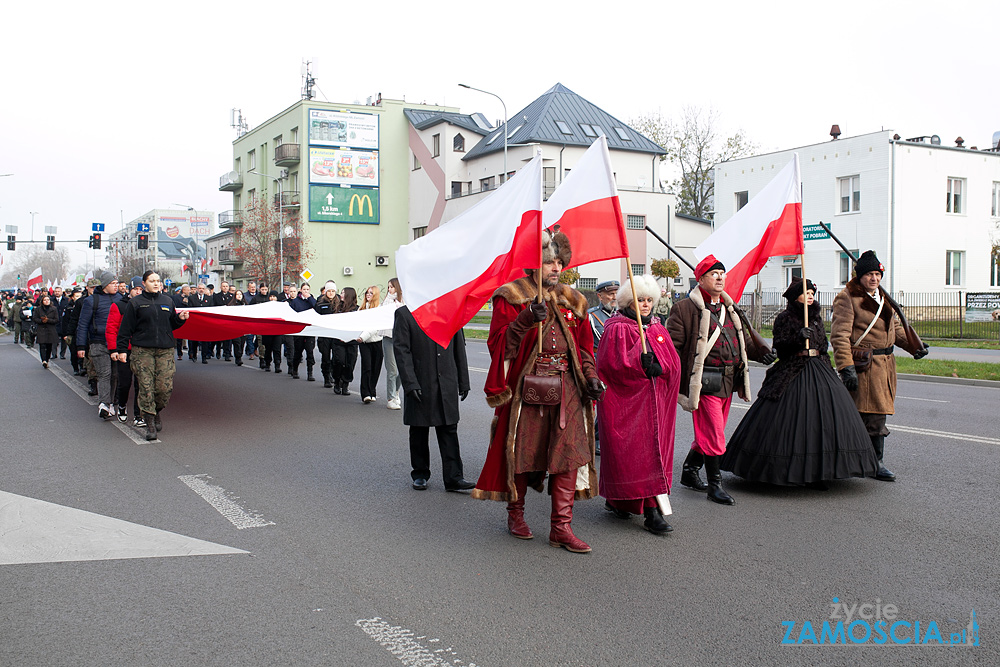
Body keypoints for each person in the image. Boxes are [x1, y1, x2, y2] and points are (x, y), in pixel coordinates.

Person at [473, 230, 603, 554]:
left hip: (568, 390)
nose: (555, 268)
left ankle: (561, 527)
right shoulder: (512, 296)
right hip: (528, 388)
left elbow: (585, 349)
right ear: (533, 266)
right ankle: (515, 515)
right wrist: (527, 319)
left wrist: (590, 377)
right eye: (548, 262)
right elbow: (499, 344)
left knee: (569, 455)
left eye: (559, 262)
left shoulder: (574, 300)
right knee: (522, 454)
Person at [720, 279, 879, 487]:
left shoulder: (816, 319)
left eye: (813, 292)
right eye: (806, 292)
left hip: (819, 367)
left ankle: (822, 470)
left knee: (825, 418)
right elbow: (780, 347)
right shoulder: (784, 318)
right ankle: (788, 470)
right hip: (793, 369)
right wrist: (797, 337)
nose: (811, 295)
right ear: (796, 296)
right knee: (792, 418)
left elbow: (823, 345)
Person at [666, 255, 774, 506]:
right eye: (714, 274)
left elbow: (739, 340)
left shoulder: (729, 306)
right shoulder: (684, 308)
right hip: (703, 381)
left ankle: (689, 471)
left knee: (710, 432)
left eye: (722, 273)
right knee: (714, 434)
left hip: (728, 380)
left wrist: (761, 351)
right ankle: (715, 485)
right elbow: (674, 345)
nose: (720, 278)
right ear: (701, 279)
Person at [831, 250, 929, 482]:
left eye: (877, 274)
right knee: (864, 415)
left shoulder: (882, 297)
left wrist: (914, 346)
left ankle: (869, 460)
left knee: (876, 413)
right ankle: (870, 461)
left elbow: (895, 329)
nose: (874, 278)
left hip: (885, 366)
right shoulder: (847, 297)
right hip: (864, 365)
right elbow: (839, 336)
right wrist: (846, 367)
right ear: (860, 275)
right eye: (869, 274)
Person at [597, 275, 681, 535]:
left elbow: (673, 364)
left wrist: (660, 367)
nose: (645, 305)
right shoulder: (617, 328)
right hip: (629, 406)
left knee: (651, 455)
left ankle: (649, 508)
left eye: (648, 300)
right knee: (631, 456)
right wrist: (638, 363)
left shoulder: (656, 327)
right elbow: (610, 366)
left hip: (655, 405)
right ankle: (633, 504)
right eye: (640, 300)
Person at [393, 304, 476, 492]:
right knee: (419, 429)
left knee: (449, 429)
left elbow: (458, 348)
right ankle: (420, 473)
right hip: (421, 380)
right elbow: (402, 351)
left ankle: (454, 477)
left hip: (446, 380)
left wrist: (464, 381)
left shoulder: (450, 312)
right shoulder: (405, 314)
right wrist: (410, 383)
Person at [114, 270, 189, 440]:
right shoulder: (135, 303)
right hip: (142, 351)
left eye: (158, 281)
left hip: (165, 350)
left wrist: (181, 319)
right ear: (144, 283)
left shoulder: (167, 301)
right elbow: (125, 330)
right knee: (146, 388)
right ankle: (149, 423)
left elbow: (171, 324)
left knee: (164, 388)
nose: (156, 283)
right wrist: (121, 352)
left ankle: (156, 411)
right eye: (152, 281)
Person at [76, 272, 121, 420]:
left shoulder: (120, 299)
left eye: (117, 283)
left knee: (115, 375)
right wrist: (81, 346)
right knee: (104, 373)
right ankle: (104, 404)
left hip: (116, 343)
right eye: (113, 283)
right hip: (98, 342)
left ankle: (113, 403)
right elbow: (82, 324)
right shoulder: (91, 301)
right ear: (105, 285)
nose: (116, 286)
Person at [106, 277, 145, 427]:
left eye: (141, 289)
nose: (138, 292)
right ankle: (121, 406)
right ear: (130, 290)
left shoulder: (145, 304)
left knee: (140, 383)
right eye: (136, 289)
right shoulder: (119, 306)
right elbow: (111, 329)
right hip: (124, 350)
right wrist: (114, 349)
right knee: (125, 382)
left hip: (141, 349)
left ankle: (138, 414)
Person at [587, 280, 619, 457]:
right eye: (610, 294)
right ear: (600, 296)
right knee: (600, 403)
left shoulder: (623, 314)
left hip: (618, 364)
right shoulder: (592, 316)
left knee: (614, 404)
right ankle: (594, 439)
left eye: (616, 293)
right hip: (599, 362)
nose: (614, 297)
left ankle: (602, 437)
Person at [356, 285, 384, 403]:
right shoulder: (361, 309)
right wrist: (360, 337)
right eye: (367, 292)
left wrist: (363, 336)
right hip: (364, 342)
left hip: (377, 342)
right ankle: (365, 393)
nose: (368, 295)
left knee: (376, 368)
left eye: (371, 293)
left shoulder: (379, 309)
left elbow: (375, 327)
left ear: (376, 295)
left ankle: (372, 391)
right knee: (367, 367)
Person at [380, 278, 404, 410]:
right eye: (388, 287)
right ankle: (390, 398)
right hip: (388, 337)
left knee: (402, 368)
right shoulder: (386, 302)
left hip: (401, 338)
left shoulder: (403, 301)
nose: (390, 289)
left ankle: (396, 391)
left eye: (392, 287)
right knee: (392, 369)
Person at [330, 287, 359, 395]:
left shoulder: (357, 310)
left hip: (351, 342)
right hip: (339, 341)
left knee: (350, 363)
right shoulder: (337, 308)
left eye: (343, 293)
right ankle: (337, 382)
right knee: (339, 361)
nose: (340, 294)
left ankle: (345, 384)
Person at [288, 283, 317, 380]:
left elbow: (317, 307)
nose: (306, 291)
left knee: (310, 351)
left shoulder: (311, 300)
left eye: (307, 289)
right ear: (300, 290)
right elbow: (292, 314)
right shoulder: (296, 301)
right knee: (298, 351)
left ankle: (310, 373)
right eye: (304, 289)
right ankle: (294, 369)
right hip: (300, 330)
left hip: (310, 330)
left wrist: (309, 298)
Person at [314, 281, 340, 388]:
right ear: (325, 292)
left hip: (335, 334)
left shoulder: (340, 303)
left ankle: (333, 375)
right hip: (324, 335)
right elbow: (315, 318)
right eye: (329, 291)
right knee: (325, 358)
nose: (331, 293)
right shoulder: (320, 303)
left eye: (333, 291)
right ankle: (326, 378)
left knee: (336, 358)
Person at [32, 293, 60, 369]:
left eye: (48, 300)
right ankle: (44, 360)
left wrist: (48, 320)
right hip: (41, 329)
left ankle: (47, 359)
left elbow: (56, 319)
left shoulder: (54, 309)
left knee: (49, 346)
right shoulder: (38, 309)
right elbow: (35, 318)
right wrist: (41, 321)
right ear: (42, 301)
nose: (47, 301)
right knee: (42, 345)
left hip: (51, 329)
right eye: (45, 300)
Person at [188, 283, 211, 363]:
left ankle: (204, 357)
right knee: (195, 340)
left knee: (205, 341)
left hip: (205, 323)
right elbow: (190, 309)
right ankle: (194, 354)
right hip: (195, 322)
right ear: (197, 289)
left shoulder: (209, 298)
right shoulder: (191, 298)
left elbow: (211, 309)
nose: (201, 290)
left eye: (203, 288)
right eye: (200, 288)